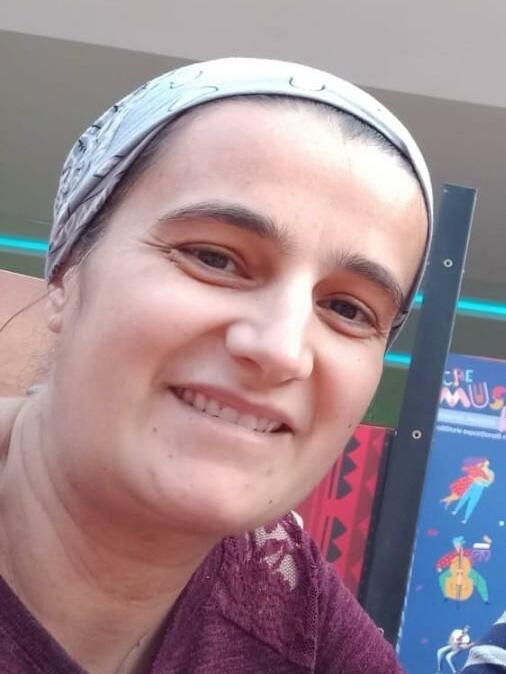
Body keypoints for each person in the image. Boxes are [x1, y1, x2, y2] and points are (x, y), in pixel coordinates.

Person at [0, 57, 432, 673]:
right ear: (69, 271)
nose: (280, 348)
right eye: (214, 258)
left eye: (347, 309)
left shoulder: (299, 618)